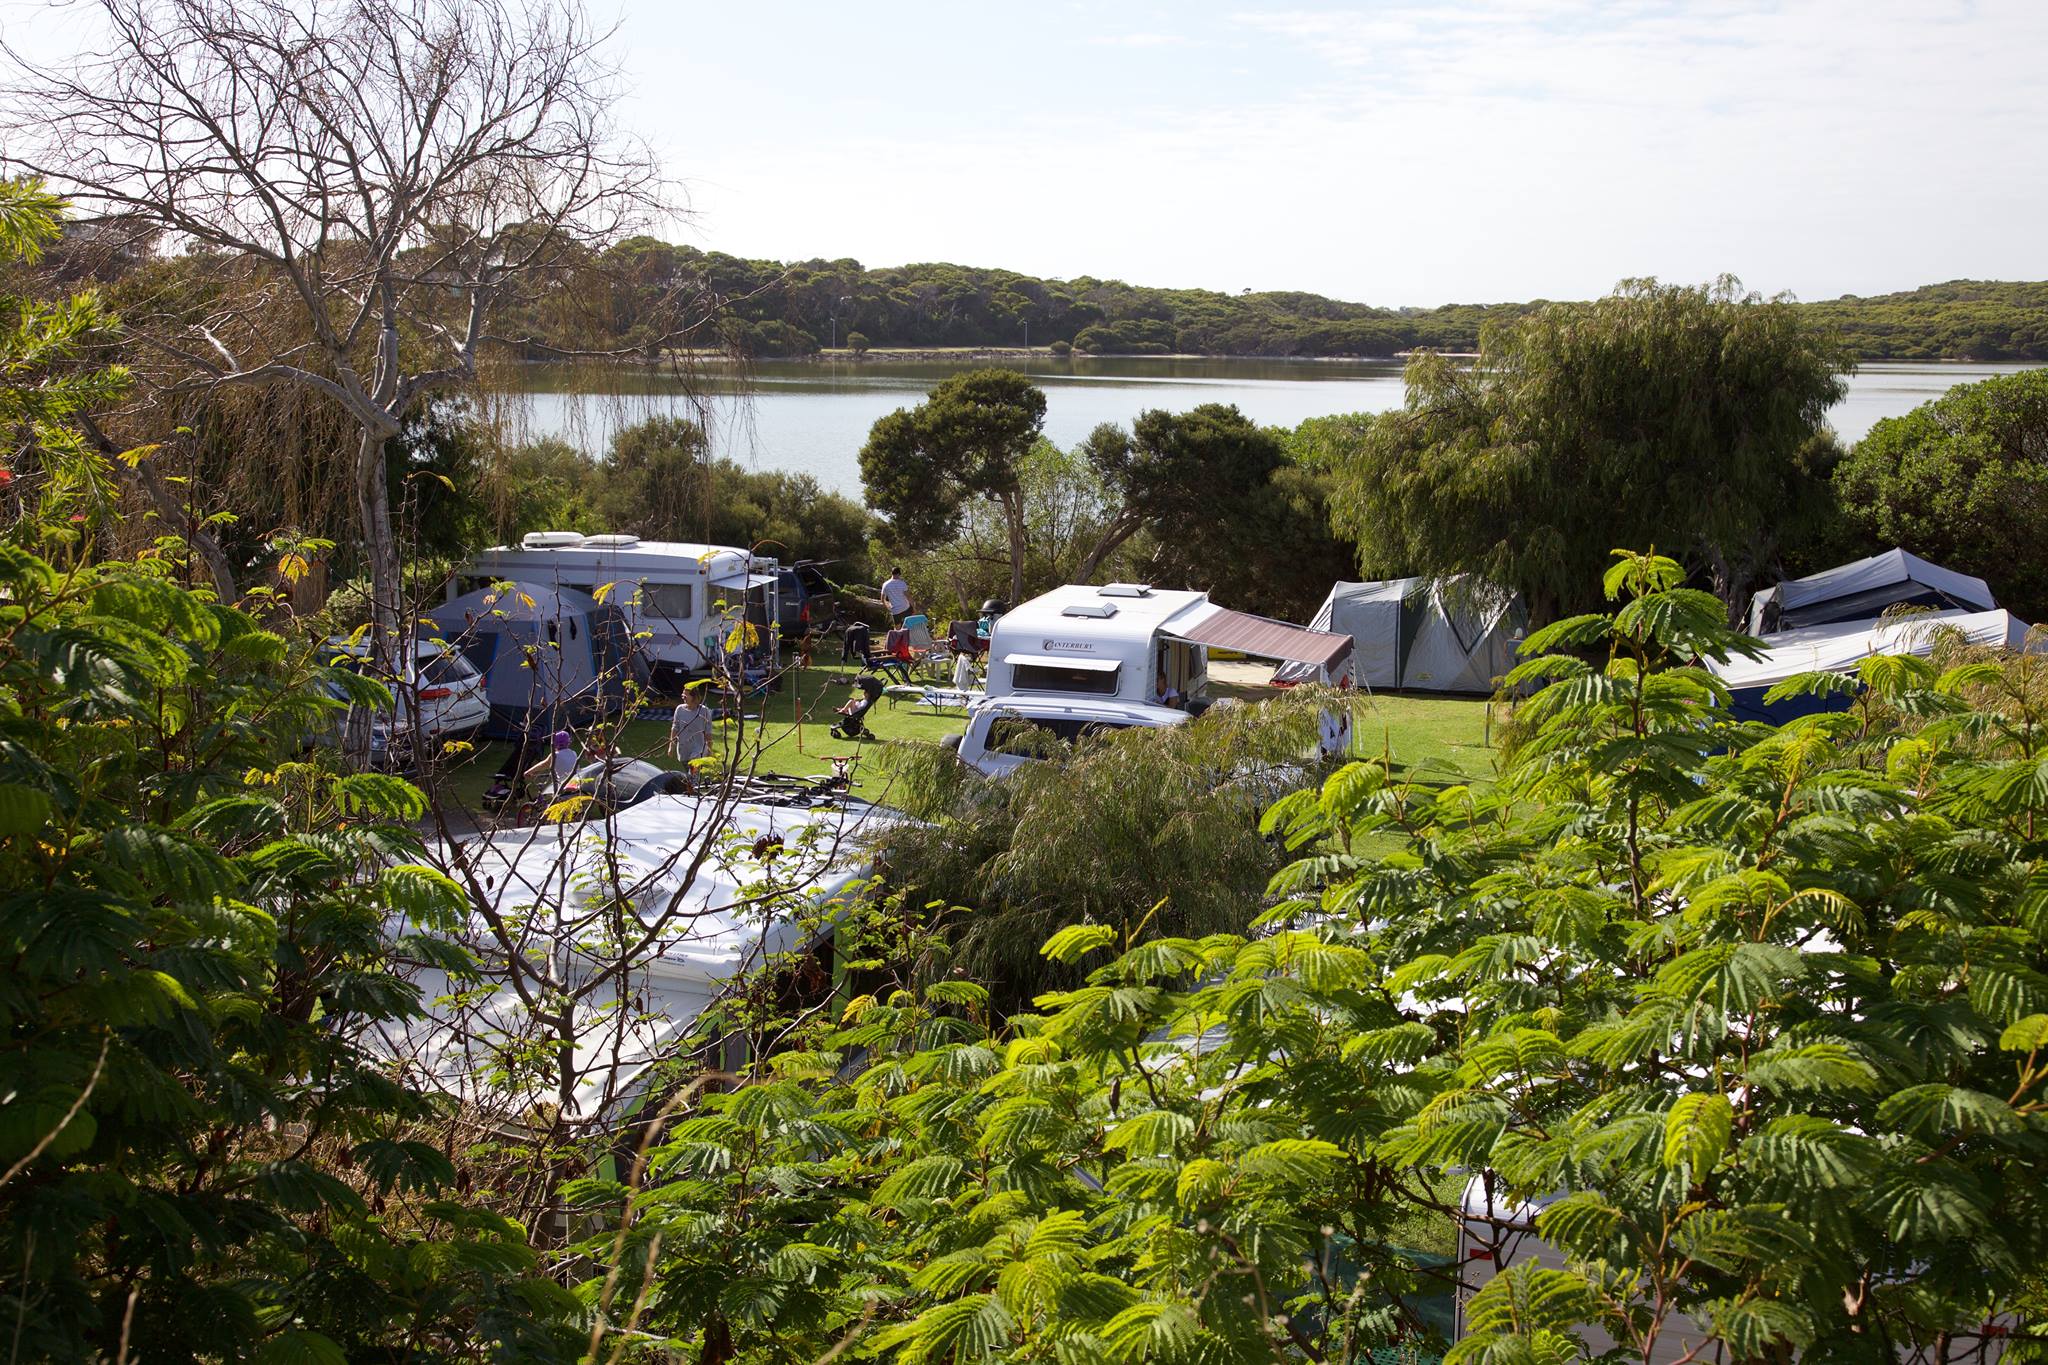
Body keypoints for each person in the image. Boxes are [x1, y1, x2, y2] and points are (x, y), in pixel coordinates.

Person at [669, 683, 714, 781]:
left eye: (686, 695)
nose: (683, 697)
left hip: (698, 749)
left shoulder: (704, 711)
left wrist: (710, 749)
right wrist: (671, 746)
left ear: (694, 697)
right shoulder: (679, 709)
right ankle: (692, 787)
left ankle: (692, 787)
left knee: (693, 774)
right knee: (690, 776)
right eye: (683, 694)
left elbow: (708, 732)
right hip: (684, 748)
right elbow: (675, 728)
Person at [524, 729, 579, 793]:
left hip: (565, 785)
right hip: (577, 782)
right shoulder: (573, 753)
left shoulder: (555, 755)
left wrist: (529, 771)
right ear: (568, 742)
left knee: (550, 792)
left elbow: (543, 765)